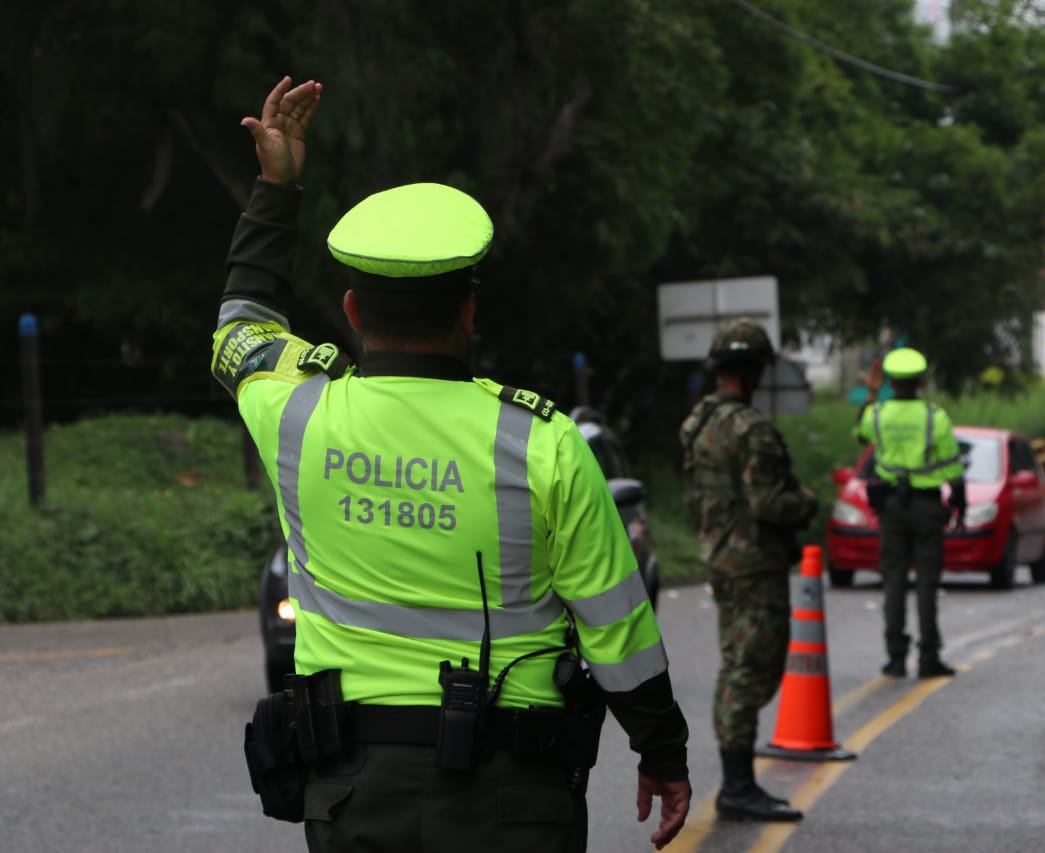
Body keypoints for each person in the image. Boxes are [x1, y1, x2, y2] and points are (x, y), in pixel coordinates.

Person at [216, 75, 691, 852]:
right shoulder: (543, 440)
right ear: (470, 309)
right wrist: (661, 753)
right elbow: (619, 628)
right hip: (515, 797)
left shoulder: (293, 415)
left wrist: (276, 187)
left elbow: (242, 317)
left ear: (353, 312)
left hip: (353, 795)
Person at [679, 317, 817, 822]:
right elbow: (767, 501)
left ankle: (738, 781)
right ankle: (737, 786)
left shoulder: (697, 424)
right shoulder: (751, 428)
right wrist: (806, 502)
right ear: (755, 369)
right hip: (753, 563)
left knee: (737, 662)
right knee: (749, 669)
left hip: (719, 557)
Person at [856, 347, 965, 679]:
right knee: (927, 584)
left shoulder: (878, 414)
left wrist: (872, 394)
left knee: (894, 582)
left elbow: (861, 434)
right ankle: (929, 657)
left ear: (892, 381)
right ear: (920, 382)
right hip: (927, 507)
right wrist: (960, 503)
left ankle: (895, 657)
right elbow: (952, 467)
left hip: (891, 507)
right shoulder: (936, 417)